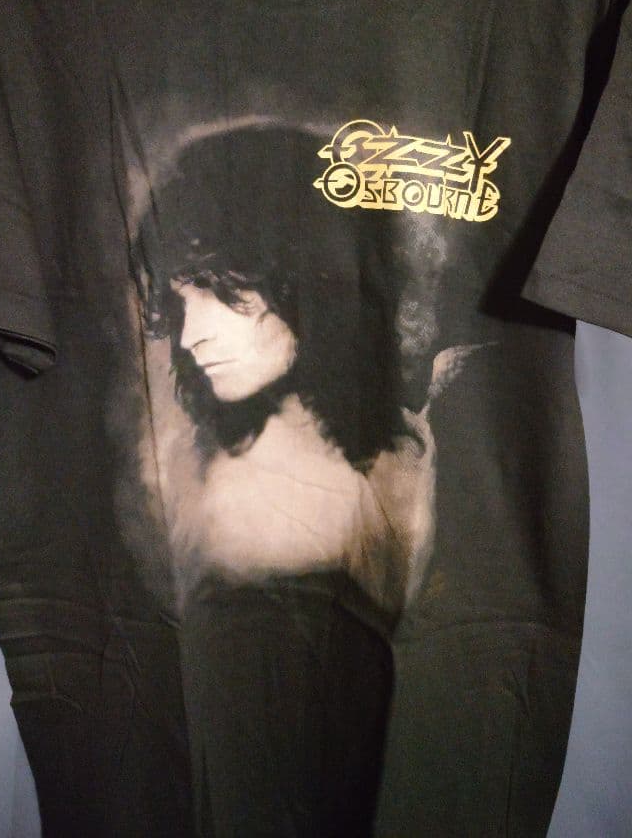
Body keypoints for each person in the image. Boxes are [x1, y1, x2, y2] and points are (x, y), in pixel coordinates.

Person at [126, 120, 475, 835]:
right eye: (181, 301)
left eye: (222, 292)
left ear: (306, 273)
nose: (191, 335)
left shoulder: (436, 439)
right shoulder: (205, 473)